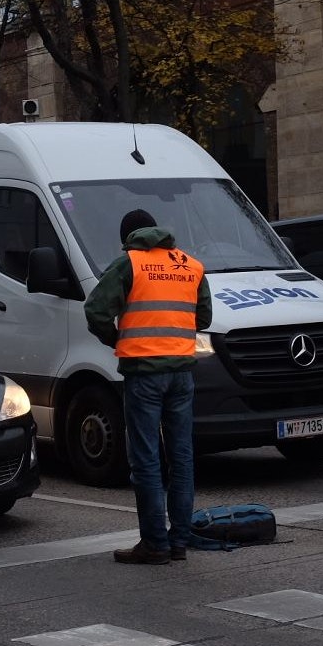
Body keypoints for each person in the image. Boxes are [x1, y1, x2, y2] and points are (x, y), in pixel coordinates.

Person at [84, 209, 214, 562]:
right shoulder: (190, 265)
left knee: (146, 459)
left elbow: (95, 310)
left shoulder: (130, 264)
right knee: (182, 458)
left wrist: (118, 338)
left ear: (129, 237)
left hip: (143, 372)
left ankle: (155, 544)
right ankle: (179, 542)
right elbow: (204, 317)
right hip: (182, 373)